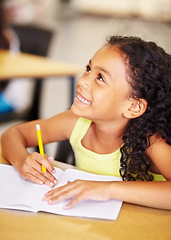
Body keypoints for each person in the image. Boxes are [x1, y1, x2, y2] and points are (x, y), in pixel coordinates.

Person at [1, 36, 171, 211]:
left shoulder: (150, 142)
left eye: (100, 78)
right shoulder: (75, 123)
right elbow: (13, 134)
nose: (82, 81)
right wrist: (22, 161)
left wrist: (108, 189)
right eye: (88, 69)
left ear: (133, 106)